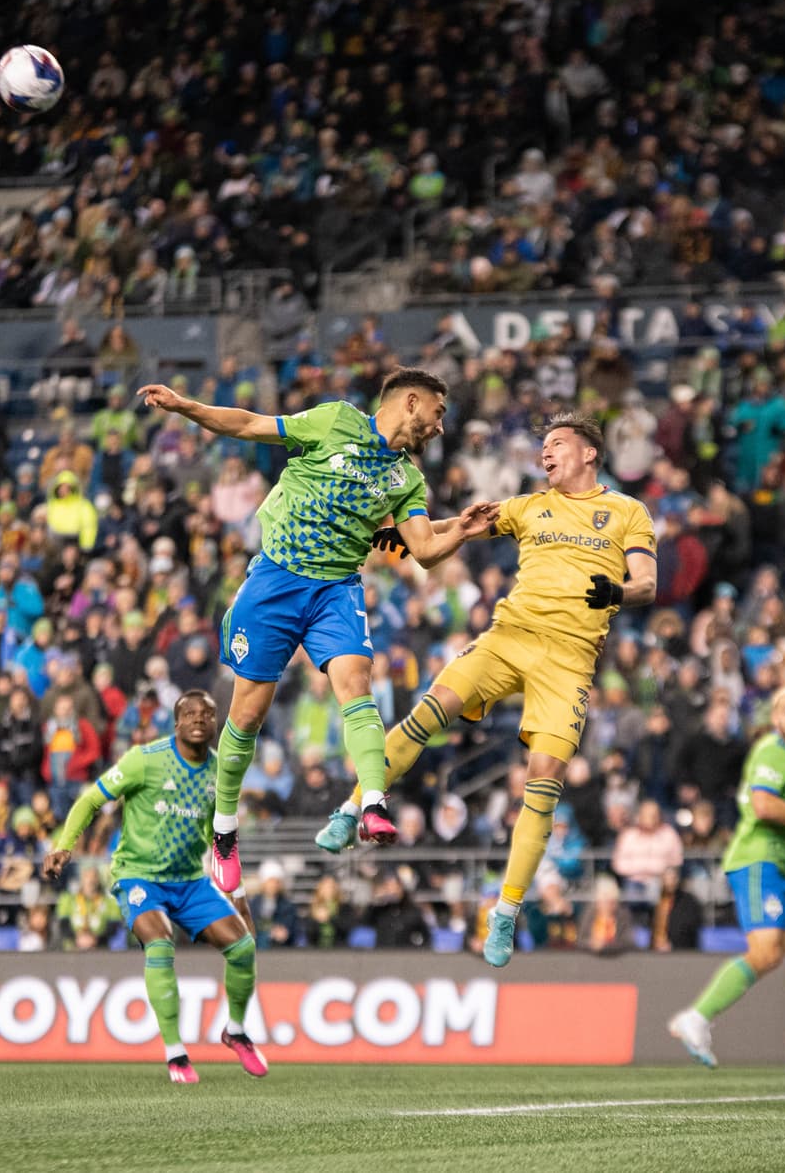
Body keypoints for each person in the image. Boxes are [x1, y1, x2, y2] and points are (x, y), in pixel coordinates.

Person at [318, 414, 657, 971]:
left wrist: (618, 590)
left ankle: (505, 910)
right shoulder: (527, 505)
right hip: (508, 637)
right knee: (427, 713)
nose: (545, 454)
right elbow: (450, 532)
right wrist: (381, 538)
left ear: (590, 453)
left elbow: (646, 582)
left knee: (542, 779)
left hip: (570, 659)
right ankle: (352, 807)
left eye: (556, 445)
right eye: (541, 447)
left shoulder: (626, 511)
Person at [138, 369, 498, 891]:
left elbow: (421, 550)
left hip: (337, 589)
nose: (443, 428)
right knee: (247, 714)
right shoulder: (334, 420)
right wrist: (185, 406)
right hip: (276, 580)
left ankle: (372, 801)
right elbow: (248, 424)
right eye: (440, 414)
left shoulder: (408, 479)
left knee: (357, 684)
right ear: (413, 402)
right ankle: (223, 829)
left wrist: (461, 529)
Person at [42, 689, 268, 1085]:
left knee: (244, 947)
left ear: (215, 724)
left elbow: (224, 842)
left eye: (207, 715)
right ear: (176, 723)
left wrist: (239, 897)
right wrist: (64, 846)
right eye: (190, 714)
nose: (199, 720)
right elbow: (90, 799)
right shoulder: (144, 761)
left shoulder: (221, 774)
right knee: (160, 943)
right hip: (138, 875)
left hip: (190, 881)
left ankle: (235, 1030)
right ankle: (175, 1052)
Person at [668, 686, 785, 1076]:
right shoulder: (771, 750)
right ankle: (696, 1018)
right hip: (756, 863)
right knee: (766, 953)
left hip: (779, 868)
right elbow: (766, 807)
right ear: (775, 718)